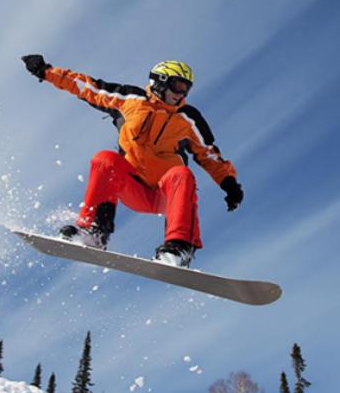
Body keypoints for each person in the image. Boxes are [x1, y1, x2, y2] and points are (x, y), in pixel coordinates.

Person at [21, 55, 243, 267]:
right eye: (178, 86)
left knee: (182, 174)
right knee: (105, 159)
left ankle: (179, 248)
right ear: (160, 82)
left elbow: (208, 154)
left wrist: (229, 184)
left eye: (186, 89)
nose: (181, 94)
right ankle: (94, 232)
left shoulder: (188, 118)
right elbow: (88, 87)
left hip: (166, 194)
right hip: (133, 188)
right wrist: (46, 71)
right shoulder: (130, 100)